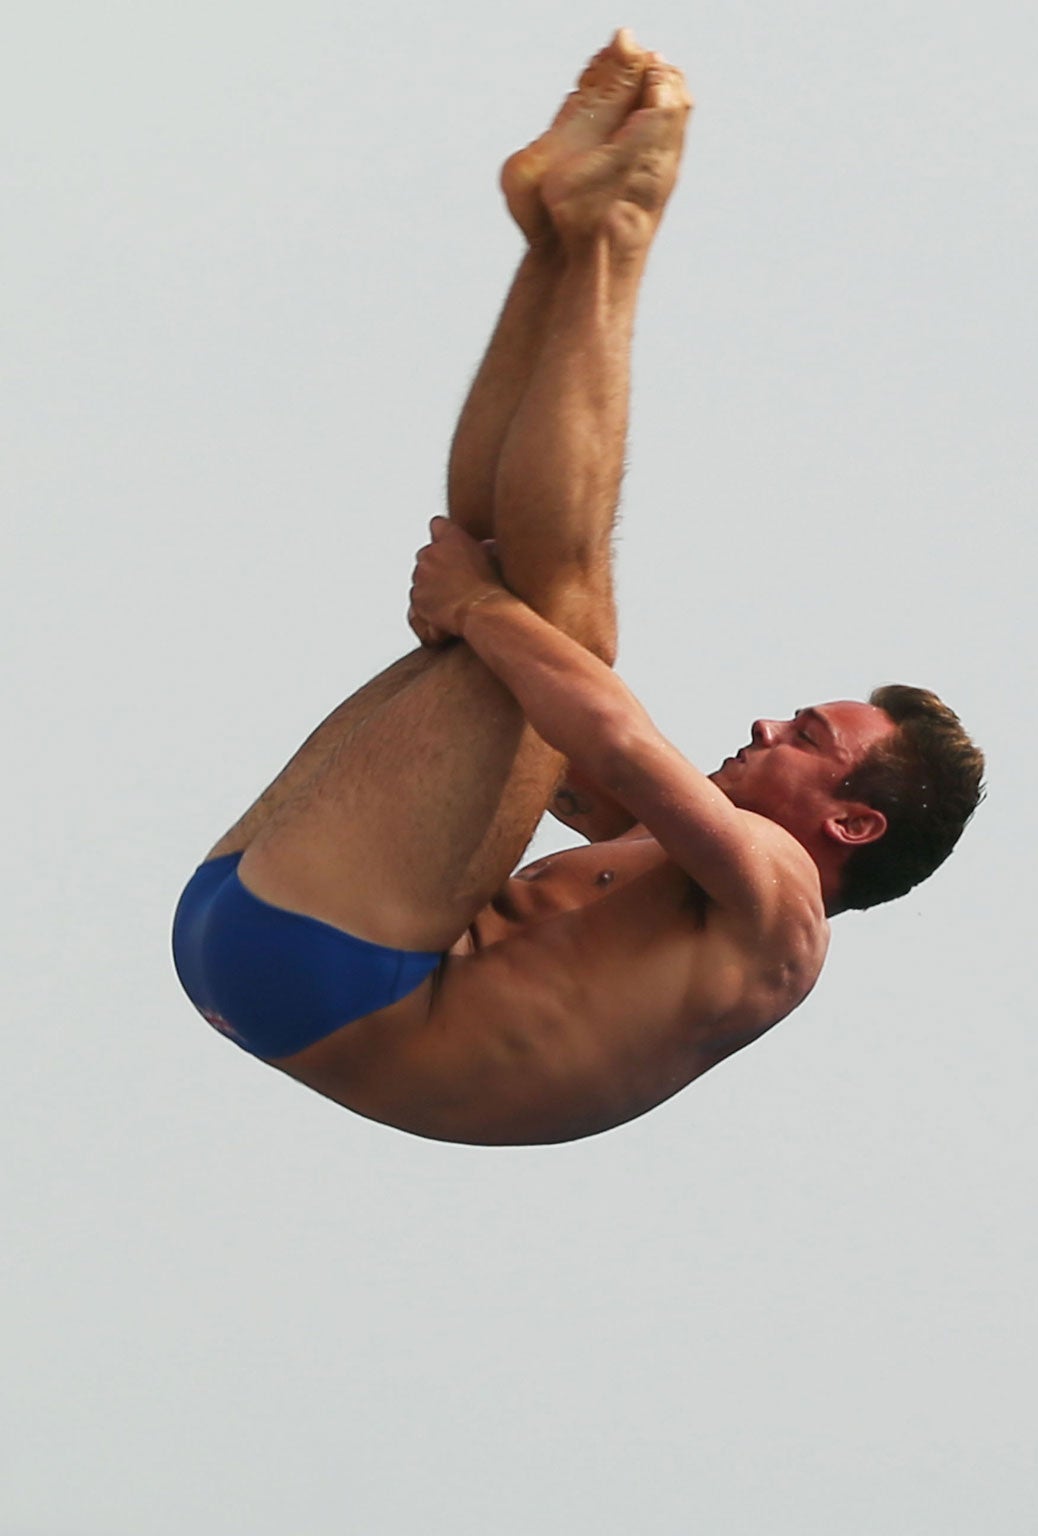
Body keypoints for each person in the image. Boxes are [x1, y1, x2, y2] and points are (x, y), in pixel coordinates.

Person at [170, 32, 984, 1146]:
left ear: (852, 818)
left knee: (553, 629)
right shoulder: (660, 858)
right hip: (269, 937)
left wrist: (474, 610)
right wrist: (484, 615)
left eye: (804, 733)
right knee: (538, 616)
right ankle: (562, 239)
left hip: (333, 982)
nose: (762, 720)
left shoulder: (780, 912)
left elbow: (616, 742)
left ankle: (610, 235)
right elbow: (573, 738)